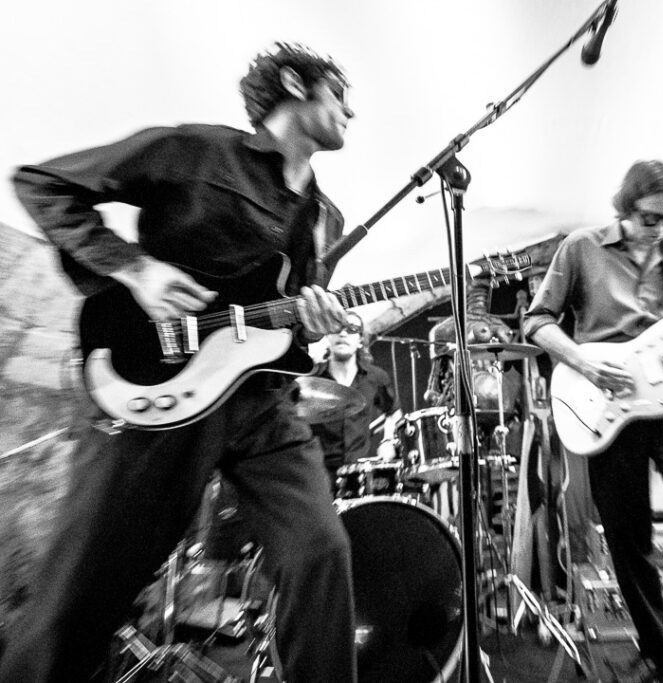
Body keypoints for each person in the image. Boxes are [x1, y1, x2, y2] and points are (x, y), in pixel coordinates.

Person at [0, 43, 358, 682]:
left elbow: (287, 321)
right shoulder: (197, 151)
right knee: (79, 599)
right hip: (157, 388)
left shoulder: (326, 219)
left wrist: (314, 320)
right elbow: (43, 184)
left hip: (261, 405)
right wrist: (135, 269)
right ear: (293, 82)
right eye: (339, 94)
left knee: (320, 554)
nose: (351, 111)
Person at [523, 160, 663, 683]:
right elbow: (537, 321)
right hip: (605, 397)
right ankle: (660, 653)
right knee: (625, 531)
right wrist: (583, 362)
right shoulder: (582, 247)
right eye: (648, 218)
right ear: (625, 207)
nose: (658, 229)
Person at [311, 310, 402, 475]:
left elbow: (393, 411)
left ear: (360, 341)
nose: (343, 333)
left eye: (352, 329)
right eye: (337, 328)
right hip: (317, 472)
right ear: (328, 336)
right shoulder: (312, 379)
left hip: (358, 473)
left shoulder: (376, 377)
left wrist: (388, 440)